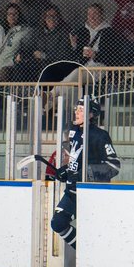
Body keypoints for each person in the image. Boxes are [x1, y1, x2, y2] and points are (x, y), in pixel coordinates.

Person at [50, 99, 121, 248]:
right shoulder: (74, 131)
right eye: (76, 108)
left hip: (91, 193)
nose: (76, 112)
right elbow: (77, 159)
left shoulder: (100, 136)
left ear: (91, 114)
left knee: (93, 229)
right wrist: (67, 170)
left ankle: (90, 254)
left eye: (81, 110)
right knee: (58, 223)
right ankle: (84, 251)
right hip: (72, 191)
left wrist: (85, 173)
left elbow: (114, 166)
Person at [0, 4, 36, 82]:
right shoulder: (5, 30)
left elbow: (28, 49)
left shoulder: (25, 31)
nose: (12, 16)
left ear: (19, 15)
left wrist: (20, 56)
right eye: (9, 14)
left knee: (4, 72)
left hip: (10, 66)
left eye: (14, 14)